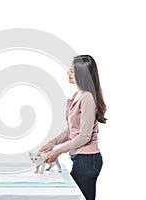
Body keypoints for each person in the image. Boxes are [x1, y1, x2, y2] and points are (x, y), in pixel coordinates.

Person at [39, 55, 106, 200]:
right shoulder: (78, 95)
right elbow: (71, 130)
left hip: (88, 160)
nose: (67, 73)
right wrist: (52, 143)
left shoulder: (87, 97)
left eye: (72, 70)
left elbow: (84, 136)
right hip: (81, 159)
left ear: (81, 73)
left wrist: (57, 152)